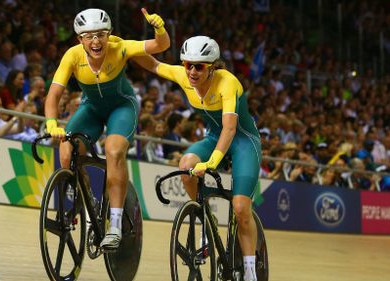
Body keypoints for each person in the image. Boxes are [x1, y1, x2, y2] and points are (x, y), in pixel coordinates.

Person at [132, 36, 261, 281]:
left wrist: (213, 161)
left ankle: (250, 270)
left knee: (241, 208)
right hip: (213, 138)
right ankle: (205, 215)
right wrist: (125, 46)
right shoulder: (183, 75)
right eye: (188, 64)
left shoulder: (227, 82)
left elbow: (230, 129)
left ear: (212, 66)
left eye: (199, 66)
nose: (191, 71)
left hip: (243, 141)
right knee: (185, 165)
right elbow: (154, 65)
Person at [44, 8, 170, 251]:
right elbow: (54, 95)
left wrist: (159, 28)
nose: (95, 41)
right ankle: (88, 202)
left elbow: (160, 46)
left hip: (122, 107)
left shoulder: (120, 47)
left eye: (101, 34)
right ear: (80, 39)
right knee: (67, 150)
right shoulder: (72, 56)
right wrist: (51, 123)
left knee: (113, 151)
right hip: (91, 107)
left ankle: (114, 224)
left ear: (109, 34)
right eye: (88, 36)